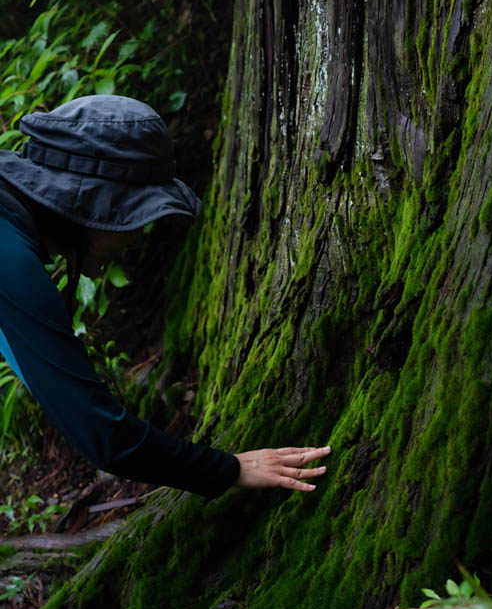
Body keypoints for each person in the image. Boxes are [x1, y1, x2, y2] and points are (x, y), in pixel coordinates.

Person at [0, 95, 330, 500]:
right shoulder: (10, 260)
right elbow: (102, 435)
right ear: (93, 204)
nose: (139, 237)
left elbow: (59, 392)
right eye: (135, 216)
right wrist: (229, 469)